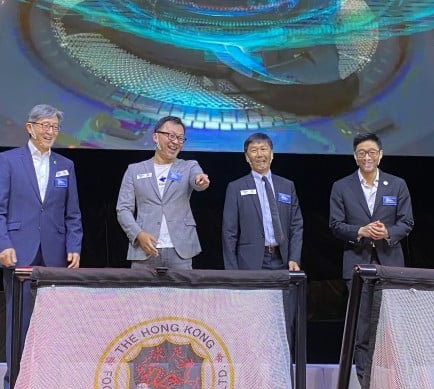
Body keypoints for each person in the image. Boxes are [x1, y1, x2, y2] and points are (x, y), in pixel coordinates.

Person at [0, 104, 83, 389]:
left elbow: (73, 214)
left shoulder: (65, 165)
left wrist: (74, 245)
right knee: (19, 323)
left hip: (55, 255)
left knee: (54, 325)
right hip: (19, 252)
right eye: (44, 125)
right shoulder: (8, 161)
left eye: (54, 126)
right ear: (29, 128)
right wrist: (2, 244)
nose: (50, 132)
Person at [329, 132, 414, 381]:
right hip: (357, 265)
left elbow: (407, 221)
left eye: (372, 152)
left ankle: (394, 385)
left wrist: (387, 232)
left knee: (392, 329)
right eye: (362, 153)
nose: (367, 157)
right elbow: (335, 225)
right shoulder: (342, 186)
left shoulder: (397, 184)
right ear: (355, 157)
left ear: (381, 155)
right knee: (362, 329)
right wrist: (360, 231)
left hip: (391, 265)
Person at [116, 115, 210, 269]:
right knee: (141, 293)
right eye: (170, 136)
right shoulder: (135, 170)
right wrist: (138, 235)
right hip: (145, 249)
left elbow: (197, 179)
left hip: (180, 251)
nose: (175, 142)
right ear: (155, 137)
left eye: (180, 138)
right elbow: (123, 209)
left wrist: (201, 180)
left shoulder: (189, 166)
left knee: (182, 294)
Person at [222, 132, 303, 272]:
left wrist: (294, 258)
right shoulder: (236, 187)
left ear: (272, 154)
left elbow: (296, 225)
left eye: (264, 149)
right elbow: (229, 232)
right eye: (254, 150)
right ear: (247, 157)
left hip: (283, 260)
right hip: (249, 262)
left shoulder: (287, 186)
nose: (259, 155)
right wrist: (231, 271)